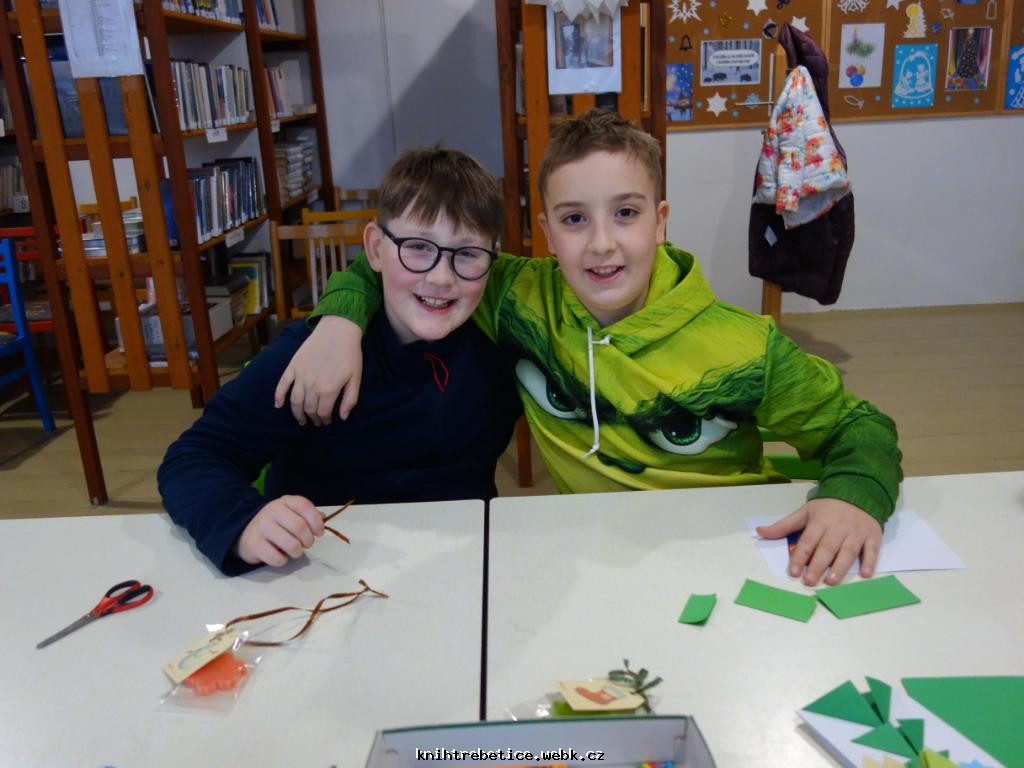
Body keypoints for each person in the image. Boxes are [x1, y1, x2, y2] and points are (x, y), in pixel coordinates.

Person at [275, 109, 902, 587]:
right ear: (547, 233)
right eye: (575, 219)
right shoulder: (516, 294)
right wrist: (338, 323)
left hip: (730, 553)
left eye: (626, 213)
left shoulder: (745, 346)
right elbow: (406, 262)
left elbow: (859, 427)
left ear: (660, 221)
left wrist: (851, 497)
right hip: (595, 562)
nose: (602, 243)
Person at [158, 148, 521, 575]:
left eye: (468, 254)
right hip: (324, 569)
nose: (442, 277)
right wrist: (242, 522)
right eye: (418, 248)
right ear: (375, 249)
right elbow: (195, 456)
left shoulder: (502, 350)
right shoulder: (314, 354)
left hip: (462, 567)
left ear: (493, 259)